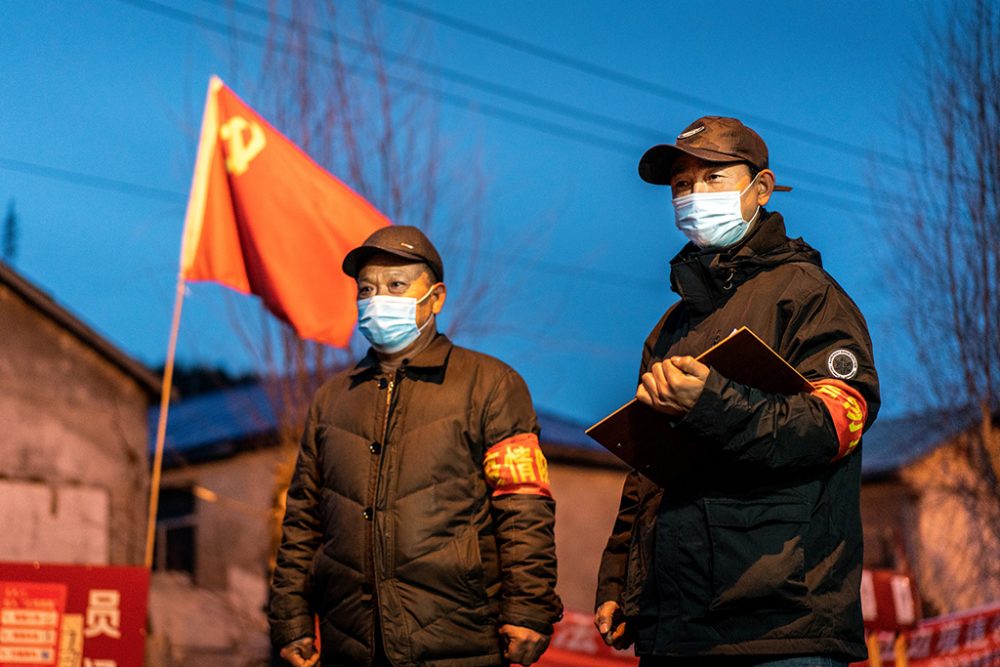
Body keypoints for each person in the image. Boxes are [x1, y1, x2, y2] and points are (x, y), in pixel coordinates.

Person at [593, 116, 880, 666]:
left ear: (762, 188)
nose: (694, 195)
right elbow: (648, 471)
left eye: (714, 177)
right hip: (677, 629)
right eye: (682, 184)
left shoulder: (808, 296)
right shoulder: (672, 327)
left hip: (781, 623)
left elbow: (833, 428)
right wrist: (622, 583)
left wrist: (713, 402)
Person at [268, 225, 561, 667]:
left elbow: (523, 506)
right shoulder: (332, 399)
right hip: (350, 642)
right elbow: (303, 519)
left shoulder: (490, 385)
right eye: (366, 289)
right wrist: (290, 618)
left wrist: (528, 609)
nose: (376, 299)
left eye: (396, 285)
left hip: (459, 640)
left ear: (436, 298)